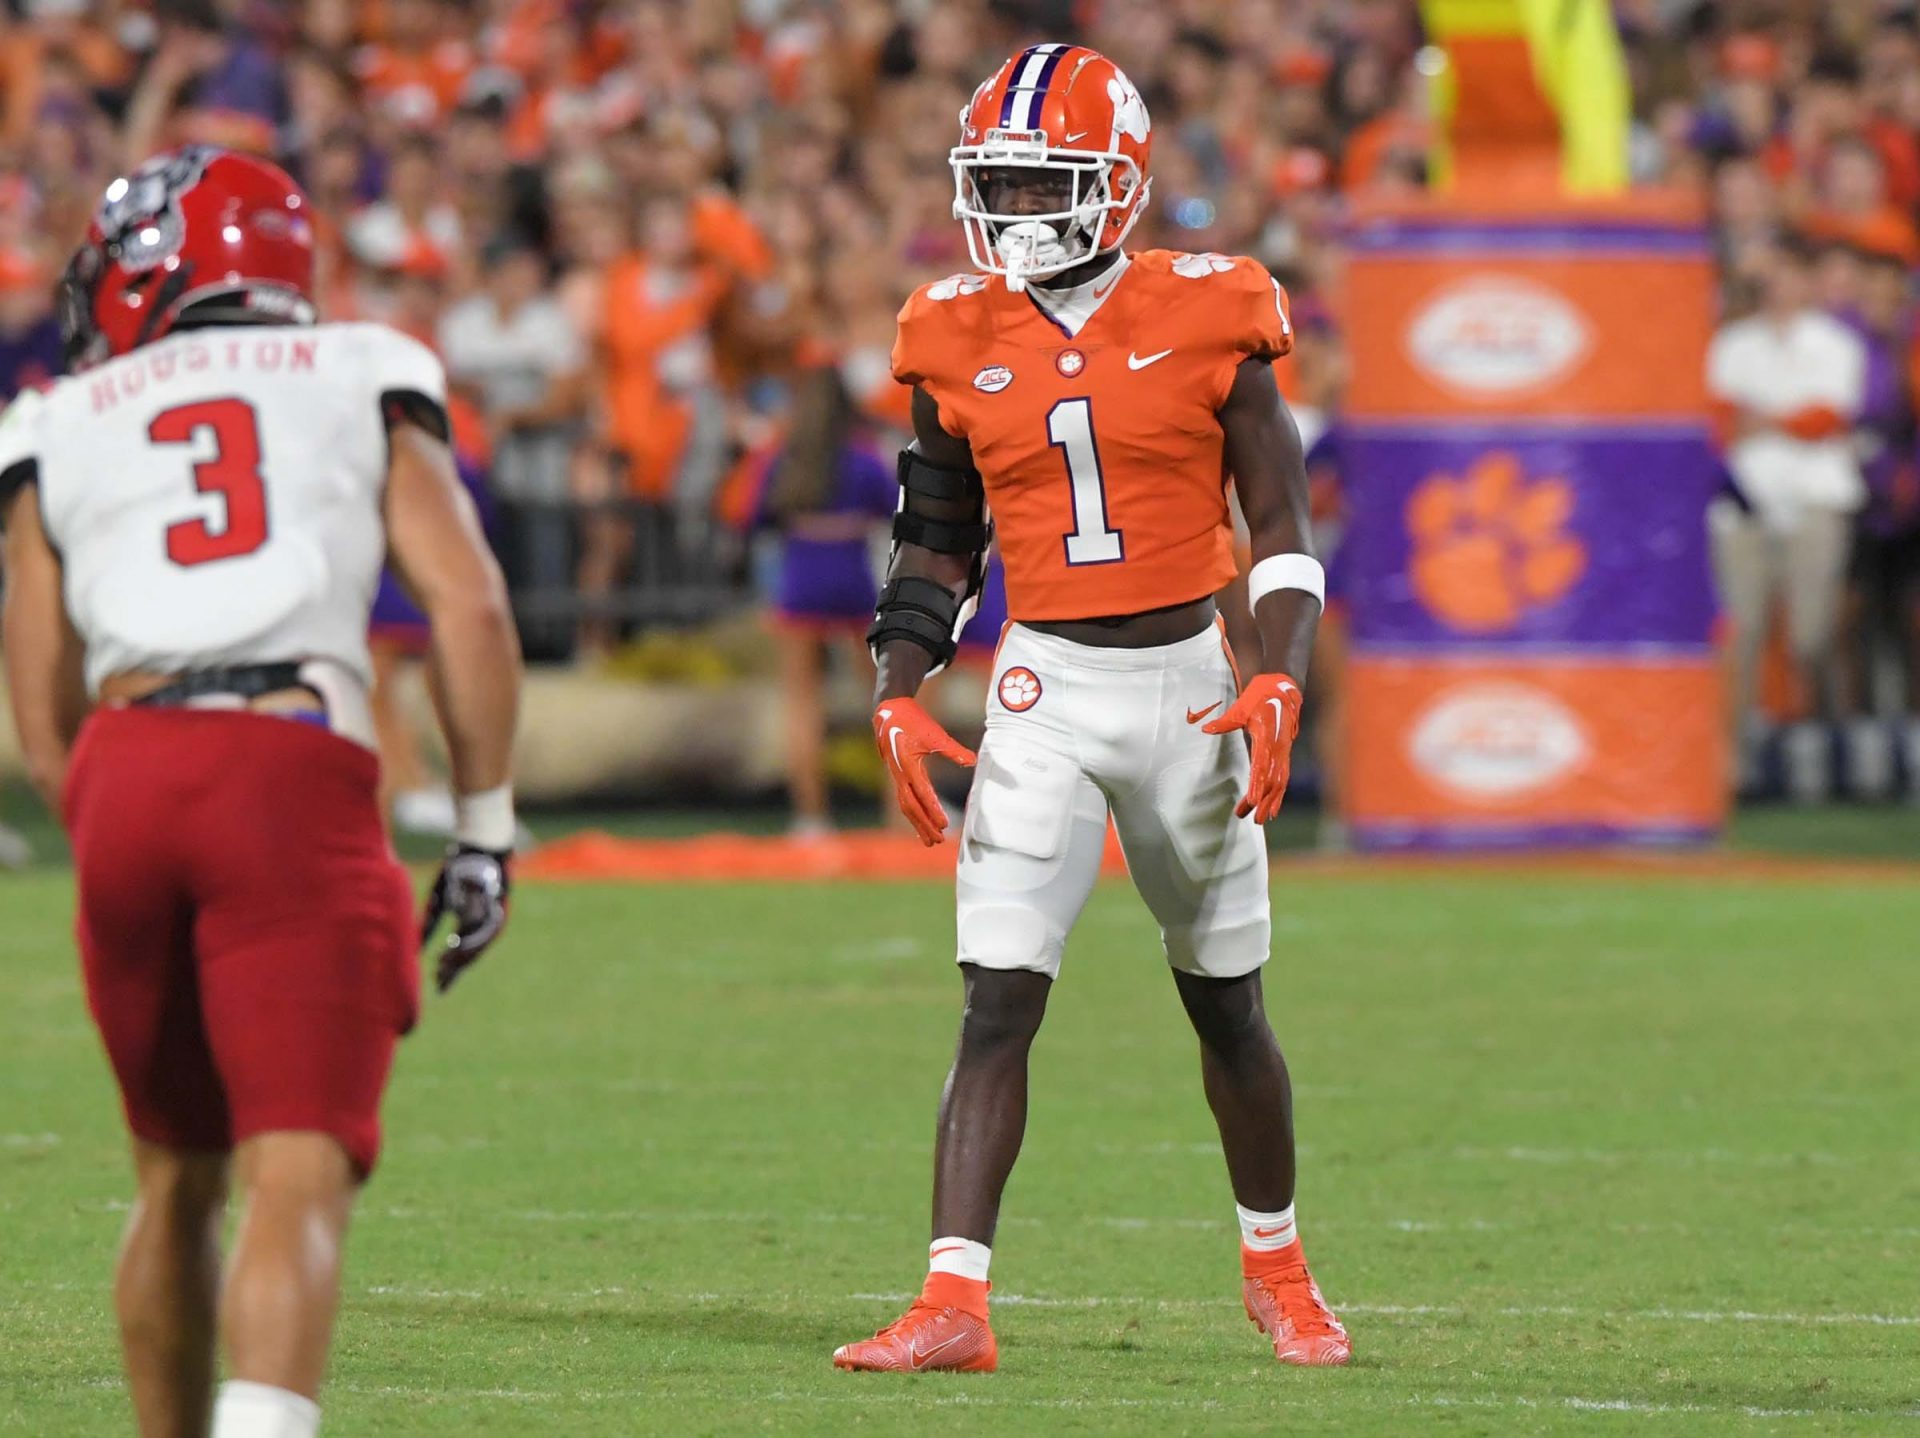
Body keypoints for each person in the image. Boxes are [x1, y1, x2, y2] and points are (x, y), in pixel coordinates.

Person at [833, 46, 1349, 1374]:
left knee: (1225, 999)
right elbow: (935, 544)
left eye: (1036, 179)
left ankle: (1278, 1265)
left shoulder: (1214, 306)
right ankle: (954, 1299)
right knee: (996, 993)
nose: (1007, 205)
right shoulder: (952, 328)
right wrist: (896, 689)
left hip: (1190, 685)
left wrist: (1281, 665)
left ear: (1116, 183)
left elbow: (1281, 520)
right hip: (1041, 684)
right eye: (992, 178)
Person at [0, 146, 522, 1438]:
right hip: (288, 758)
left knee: (174, 1177)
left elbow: (38, 698)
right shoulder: (362, 362)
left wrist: (118, 818)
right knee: (295, 1159)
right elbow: (467, 602)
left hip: (124, 769)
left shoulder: (55, 413)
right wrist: (485, 829)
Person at [1706, 235, 1868, 798]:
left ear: (1807, 280)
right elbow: (1721, 412)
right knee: (1740, 633)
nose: (1778, 285)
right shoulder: (1734, 342)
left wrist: (1765, 419)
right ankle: (1735, 766)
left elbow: (1823, 418)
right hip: (1744, 500)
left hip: (1815, 495)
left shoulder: (1835, 342)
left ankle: (1828, 756)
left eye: (1789, 273)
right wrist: (1781, 419)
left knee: (1811, 634)